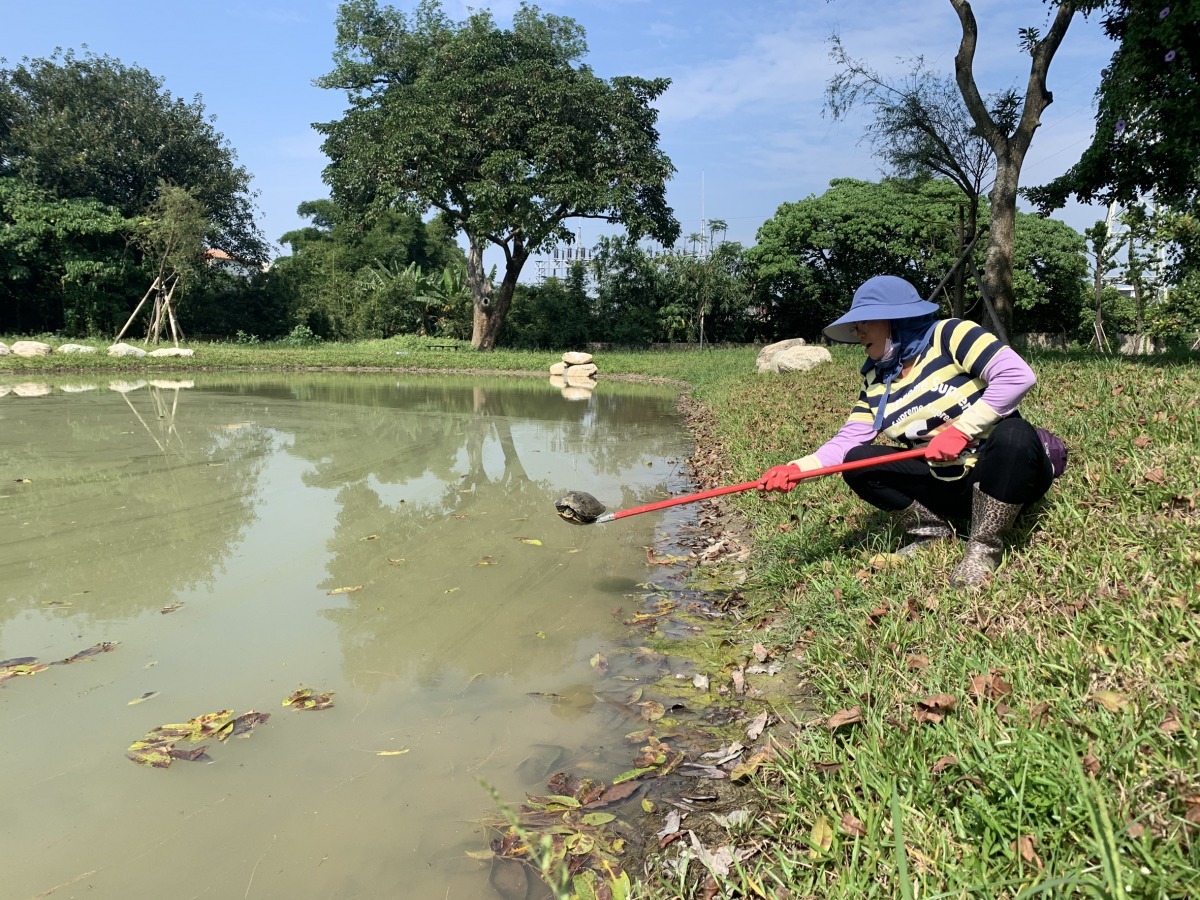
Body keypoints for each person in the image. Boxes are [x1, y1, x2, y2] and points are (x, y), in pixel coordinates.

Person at [757, 275, 1055, 588]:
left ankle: (983, 547)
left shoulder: (950, 335)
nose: (859, 333)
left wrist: (962, 431)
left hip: (1001, 473)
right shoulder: (876, 378)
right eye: (856, 326)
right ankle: (933, 532)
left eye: (866, 323)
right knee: (860, 462)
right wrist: (796, 469)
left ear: (896, 319)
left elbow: (1016, 375)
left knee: (1015, 434)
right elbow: (847, 443)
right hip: (945, 480)